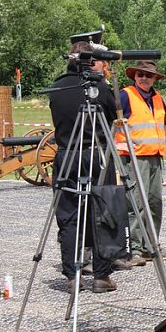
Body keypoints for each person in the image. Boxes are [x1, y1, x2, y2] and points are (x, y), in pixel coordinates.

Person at [48, 37, 119, 294]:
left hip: (67, 154)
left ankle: (72, 274)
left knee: (68, 216)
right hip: (96, 154)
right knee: (103, 212)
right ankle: (102, 274)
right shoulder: (99, 87)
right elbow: (114, 116)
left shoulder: (57, 88)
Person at [115, 60, 166, 267]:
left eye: (148, 75)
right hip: (134, 157)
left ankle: (151, 246)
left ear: (155, 78)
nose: (144, 78)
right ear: (134, 77)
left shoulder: (158, 99)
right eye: (140, 75)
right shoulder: (125, 96)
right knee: (137, 203)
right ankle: (135, 248)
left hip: (156, 156)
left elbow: (163, 125)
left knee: (154, 203)